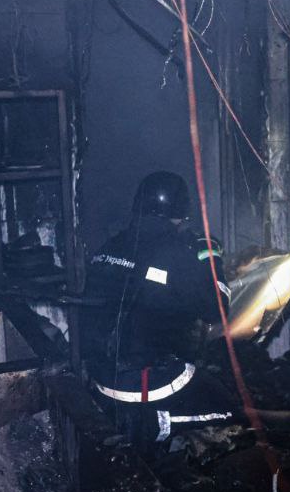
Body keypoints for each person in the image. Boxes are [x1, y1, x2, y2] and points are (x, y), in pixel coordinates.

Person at [82, 170, 231, 447]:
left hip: (100, 378)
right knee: (231, 413)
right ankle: (153, 427)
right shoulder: (176, 254)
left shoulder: (109, 247)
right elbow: (217, 309)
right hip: (147, 385)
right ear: (179, 215)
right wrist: (211, 256)